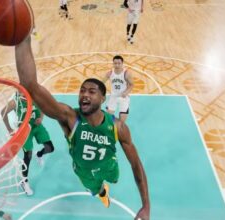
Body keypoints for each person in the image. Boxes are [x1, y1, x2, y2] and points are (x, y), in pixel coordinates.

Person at [15, 37, 150, 220]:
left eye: (91, 91)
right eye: (82, 90)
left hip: (109, 166)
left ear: (103, 99)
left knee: (114, 178)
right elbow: (31, 86)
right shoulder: (70, 117)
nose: (85, 95)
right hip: (84, 172)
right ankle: (102, 192)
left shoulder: (118, 127)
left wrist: (146, 206)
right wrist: (22, 39)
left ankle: (106, 183)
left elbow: (136, 165)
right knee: (97, 190)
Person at [2, 92, 55, 196]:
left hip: (36, 127)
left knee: (50, 148)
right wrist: (9, 129)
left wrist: (41, 118)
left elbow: (43, 106)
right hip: (25, 130)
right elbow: (2, 112)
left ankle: (39, 155)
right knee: (28, 156)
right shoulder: (15, 103)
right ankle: (24, 182)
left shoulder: (34, 97)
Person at [103, 55, 133, 122]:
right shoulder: (110, 73)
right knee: (108, 119)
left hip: (124, 98)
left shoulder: (126, 73)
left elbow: (131, 85)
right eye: (115, 63)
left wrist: (126, 92)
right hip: (113, 96)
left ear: (122, 63)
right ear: (113, 64)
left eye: (119, 63)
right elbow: (101, 83)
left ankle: (119, 131)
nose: (117, 65)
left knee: (122, 122)